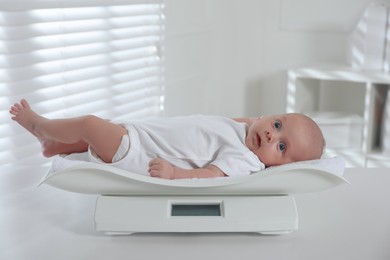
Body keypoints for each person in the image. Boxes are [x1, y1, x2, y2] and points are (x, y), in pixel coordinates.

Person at [9, 99, 325, 179]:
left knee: (91, 126)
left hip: (139, 153)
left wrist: (176, 174)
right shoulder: (245, 132)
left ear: (277, 166)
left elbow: (211, 176)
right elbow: (249, 121)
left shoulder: (246, 160)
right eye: (278, 123)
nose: (272, 134)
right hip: (141, 134)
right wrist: (257, 122)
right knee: (92, 135)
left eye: (281, 147)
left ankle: (41, 126)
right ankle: (55, 145)